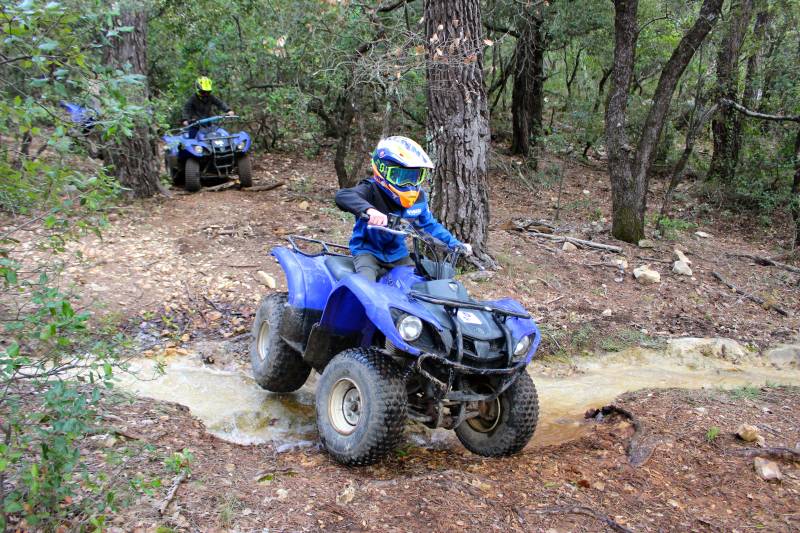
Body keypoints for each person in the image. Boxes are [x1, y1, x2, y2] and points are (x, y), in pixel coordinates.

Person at [335, 136, 472, 282]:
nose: (408, 183)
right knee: (365, 288)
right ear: (382, 170)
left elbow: (430, 225)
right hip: (368, 253)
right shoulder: (370, 190)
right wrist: (370, 210)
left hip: (398, 254)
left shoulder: (418, 198)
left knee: (419, 287)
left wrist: (455, 244)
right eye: (401, 176)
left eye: (414, 177)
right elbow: (343, 196)